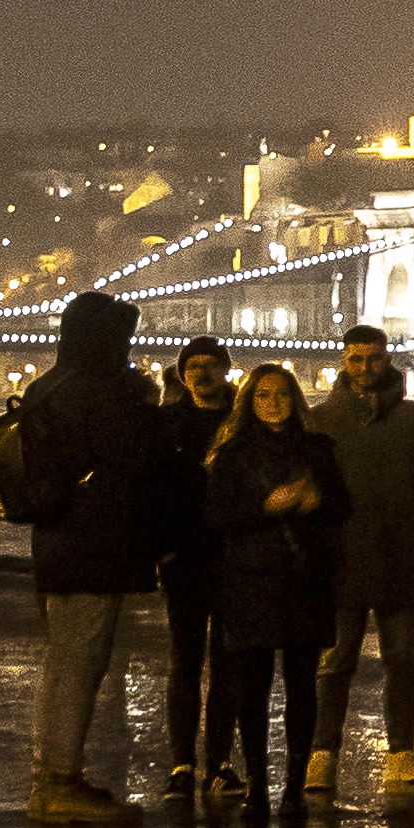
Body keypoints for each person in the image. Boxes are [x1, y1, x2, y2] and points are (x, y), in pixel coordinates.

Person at [3, 291, 158, 828]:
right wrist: (145, 401)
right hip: (93, 543)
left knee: (61, 661)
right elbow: (130, 462)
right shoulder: (100, 392)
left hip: (58, 543)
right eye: (122, 337)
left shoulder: (47, 386)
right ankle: (59, 784)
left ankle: (51, 774)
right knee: (81, 664)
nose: (128, 347)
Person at [310, 325, 414, 799]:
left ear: (388, 359)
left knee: (401, 660)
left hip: (401, 561)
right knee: (334, 664)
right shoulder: (319, 422)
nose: (365, 368)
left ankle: (401, 752)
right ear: (343, 361)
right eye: (356, 359)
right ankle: (321, 752)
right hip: (339, 563)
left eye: (374, 359)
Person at [201, 363, 349, 809]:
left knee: (304, 685)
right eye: (263, 395)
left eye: (282, 394)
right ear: (249, 402)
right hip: (251, 581)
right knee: (254, 686)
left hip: (305, 580)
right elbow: (215, 517)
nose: (274, 403)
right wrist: (266, 505)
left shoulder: (319, 450)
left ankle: (295, 787)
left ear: (294, 398)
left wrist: (319, 501)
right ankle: (259, 784)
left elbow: (343, 506)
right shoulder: (231, 455)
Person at [147, 336, 236, 795]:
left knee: (227, 664)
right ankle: (182, 764)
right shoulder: (167, 424)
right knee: (184, 661)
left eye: (210, 364)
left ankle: (220, 763)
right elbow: (152, 492)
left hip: (235, 557)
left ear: (225, 369)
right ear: (182, 377)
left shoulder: (246, 422)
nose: (201, 373)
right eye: (192, 367)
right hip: (184, 559)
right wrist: (164, 549)